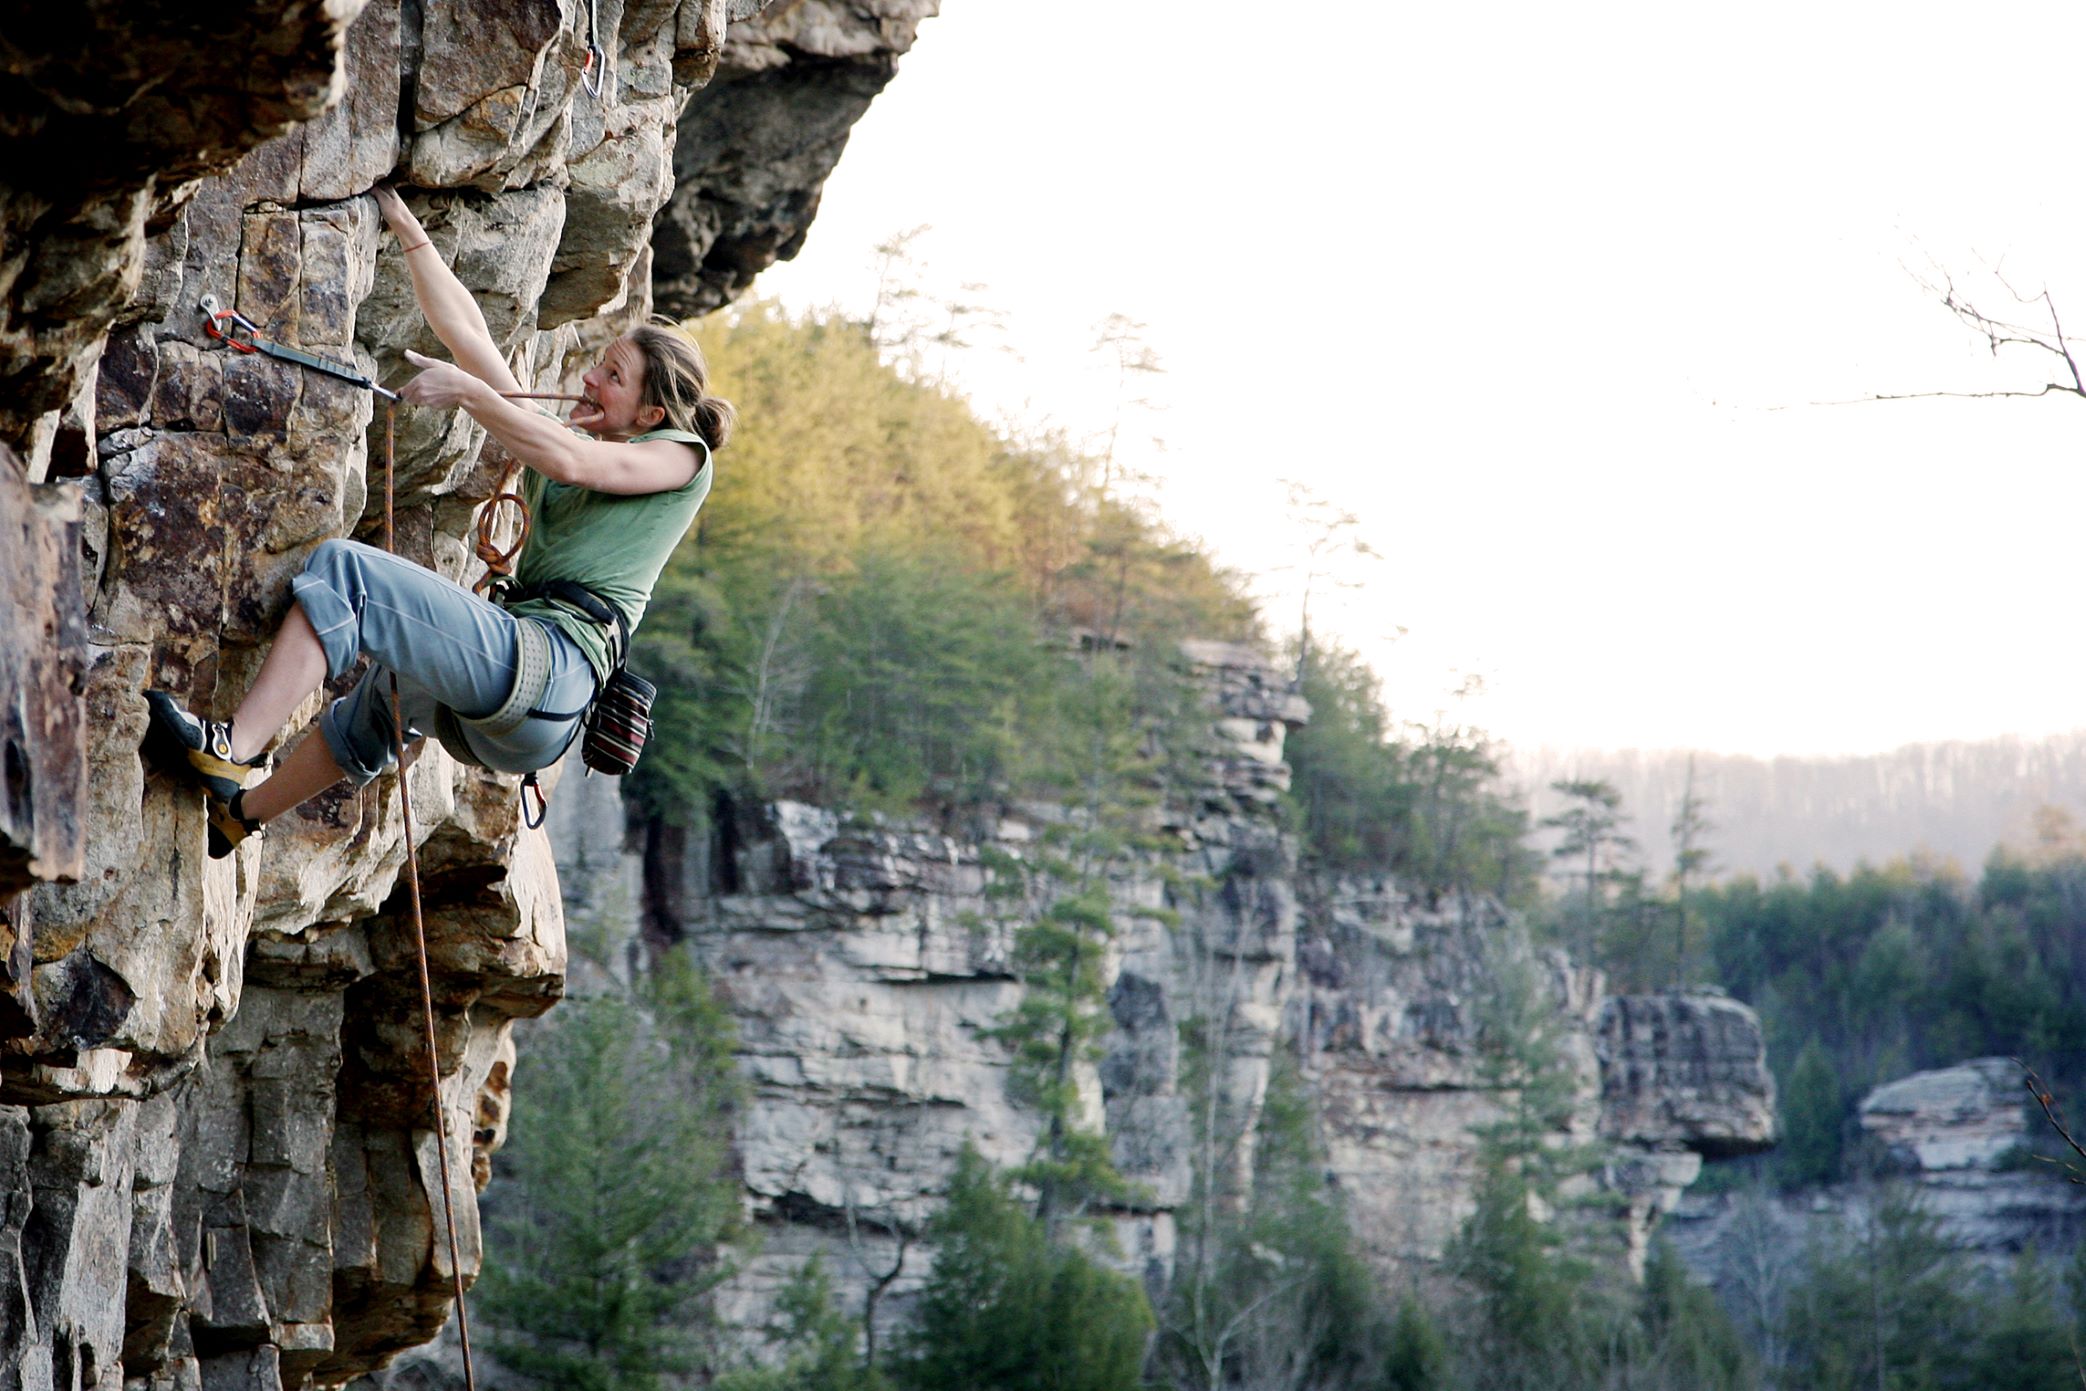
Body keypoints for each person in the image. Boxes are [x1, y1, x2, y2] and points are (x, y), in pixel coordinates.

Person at [144, 184, 734, 857]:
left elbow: (573, 462)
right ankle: (241, 814)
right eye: (600, 364)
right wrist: (407, 230)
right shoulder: (564, 441)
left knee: (348, 574)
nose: (590, 379)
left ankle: (234, 749)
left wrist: (471, 395)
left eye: (613, 376)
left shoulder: (681, 459)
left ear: (652, 415)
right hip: (525, 705)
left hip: (552, 672)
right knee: (384, 697)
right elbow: (469, 338)